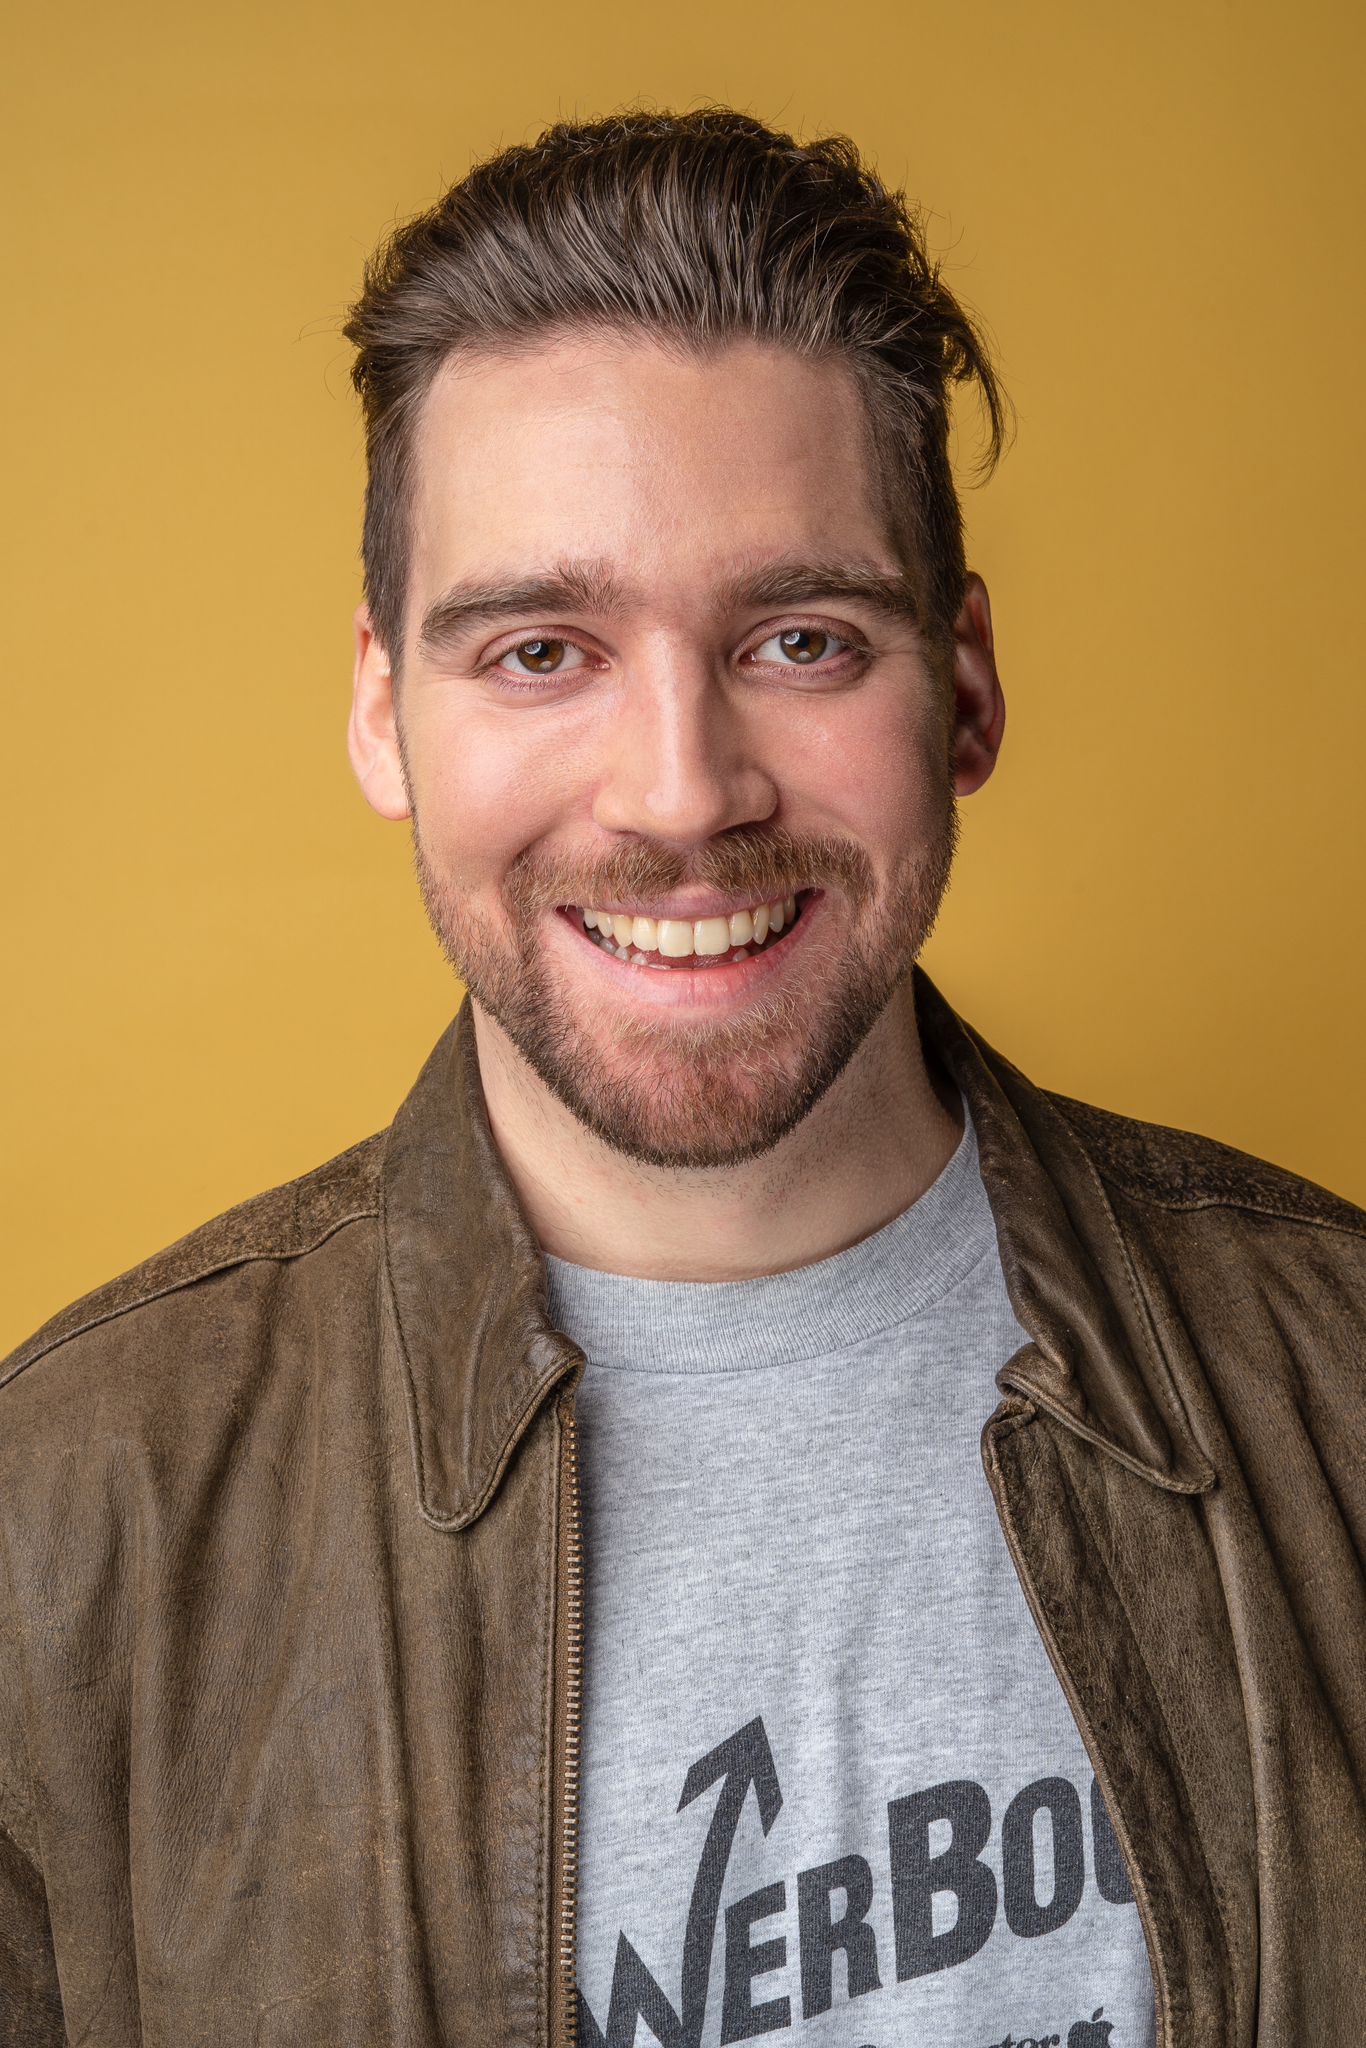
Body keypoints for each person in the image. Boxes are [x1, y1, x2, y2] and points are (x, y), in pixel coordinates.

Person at [1, 107, 1361, 2048]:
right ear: (384, 710)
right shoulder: (62, 1534)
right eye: (539, 651)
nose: (678, 793)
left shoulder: (1335, 1378)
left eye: (797, 638)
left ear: (962, 688)